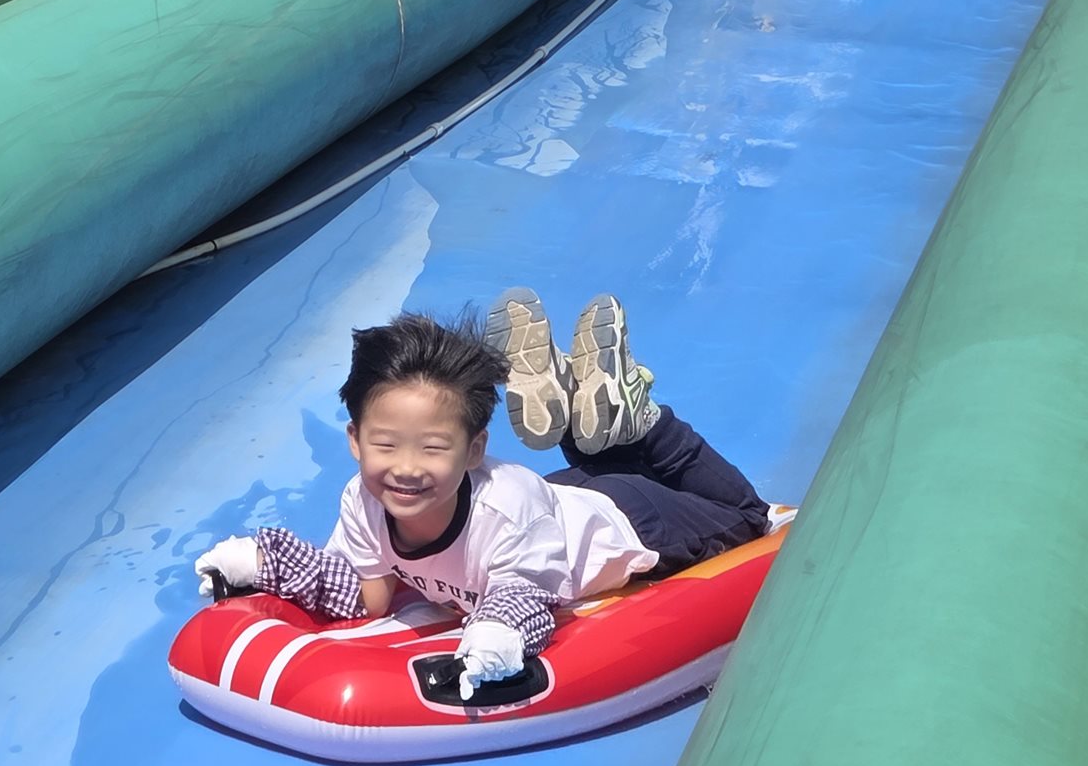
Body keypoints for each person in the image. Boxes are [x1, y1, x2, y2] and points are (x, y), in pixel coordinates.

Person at [193, 291, 769, 699]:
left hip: (632, 525)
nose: (405, 469)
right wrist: (267, 563)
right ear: (354, 440)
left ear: (475, 450)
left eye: (432, 448)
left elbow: (520, 599)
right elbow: (364, 594)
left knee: (747, 515)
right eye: (385, 445)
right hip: (558, 502)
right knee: (604, 466)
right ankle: (584, 413)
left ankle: (641, 423)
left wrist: (494, 635)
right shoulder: (362, 500)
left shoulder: (504, 513)